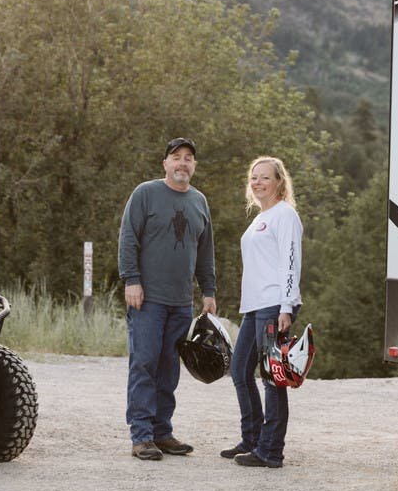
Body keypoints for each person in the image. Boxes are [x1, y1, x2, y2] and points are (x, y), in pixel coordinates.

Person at [118, 137, 217, 461]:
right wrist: (132, 280)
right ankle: (142, 436)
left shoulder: (199, 201)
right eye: (176, 157)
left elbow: (205, 252)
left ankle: (162, 432)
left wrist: (209, 292)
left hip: (180, 302)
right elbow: (128, 239)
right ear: (165, 164)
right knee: (144, 363)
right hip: (147, 299)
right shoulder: (145, 194)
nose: (183, 163)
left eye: (189, 158)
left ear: (194, 166)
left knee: (169, 368)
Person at [222, 156, 303, 469]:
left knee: (272, 379)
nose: (257, 183)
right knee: (240, 371)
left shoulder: (285, 215)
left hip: (274, 305)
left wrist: (287, 306)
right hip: (254, 306)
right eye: (253, 178)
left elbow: (290, 262)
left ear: (279, 182)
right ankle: (252, 438)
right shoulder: (260, 217)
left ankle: (270, 451)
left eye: (264, 177)